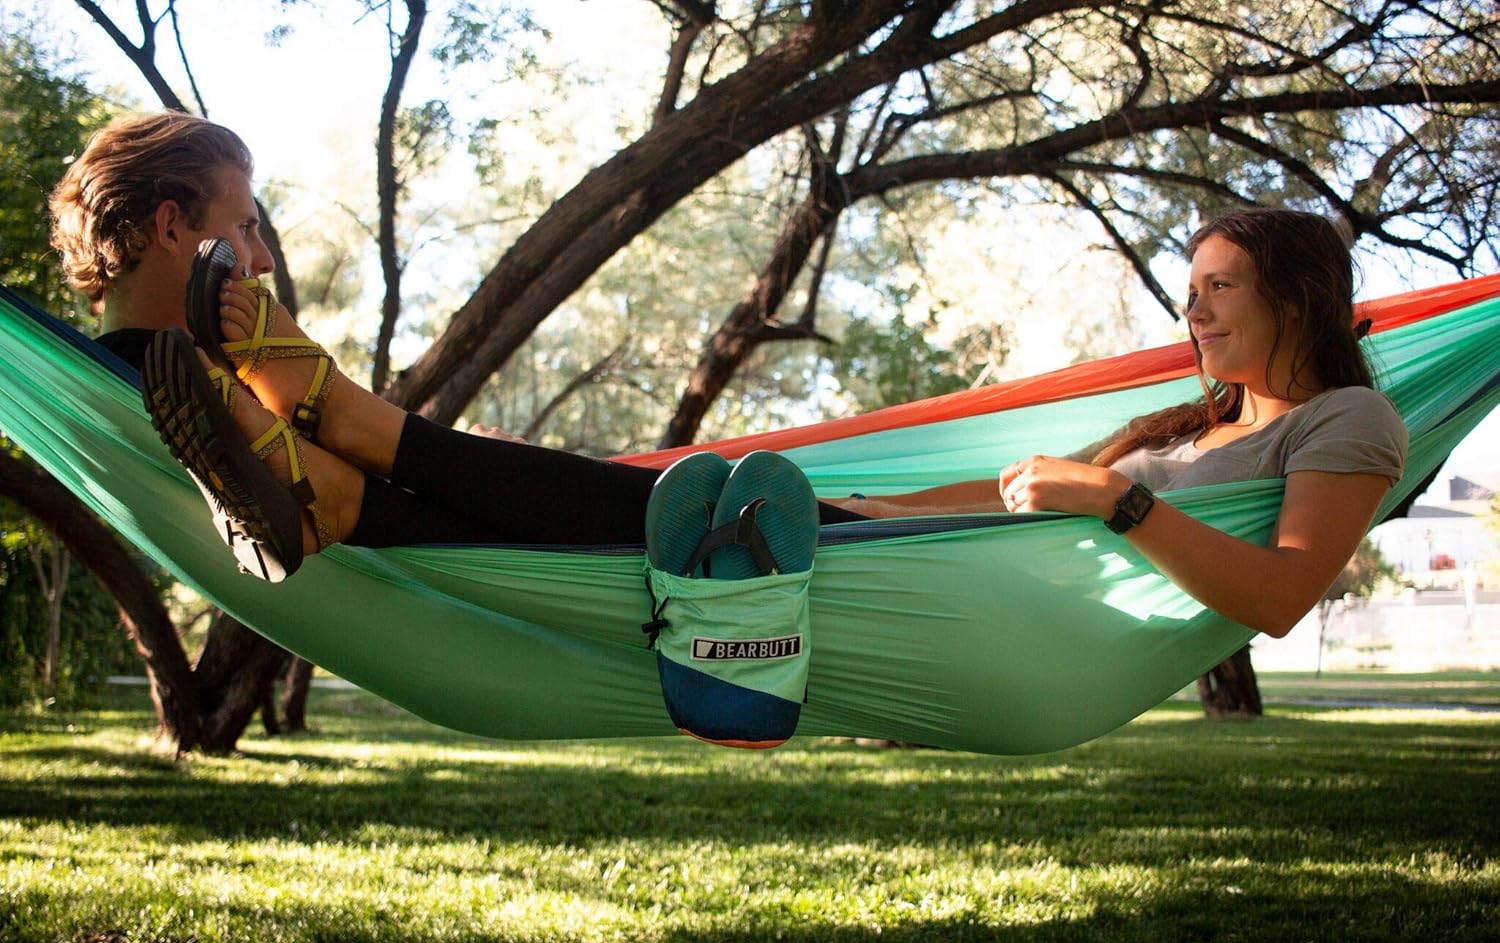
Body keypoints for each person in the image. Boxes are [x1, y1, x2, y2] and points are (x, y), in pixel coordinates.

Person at [50, 111, 1405, 635]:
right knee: (651, 501)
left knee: (639, 508)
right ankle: (332, 473)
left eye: (1218, 288)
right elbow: (998, 495)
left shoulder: (1347, 418)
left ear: (1297, 296)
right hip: (917, 549)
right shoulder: (1192, 425)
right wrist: (835, 493)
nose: (1193, 309)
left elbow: (1284, 597)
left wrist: (1109, 502)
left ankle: (335, 447)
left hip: (985, 592)